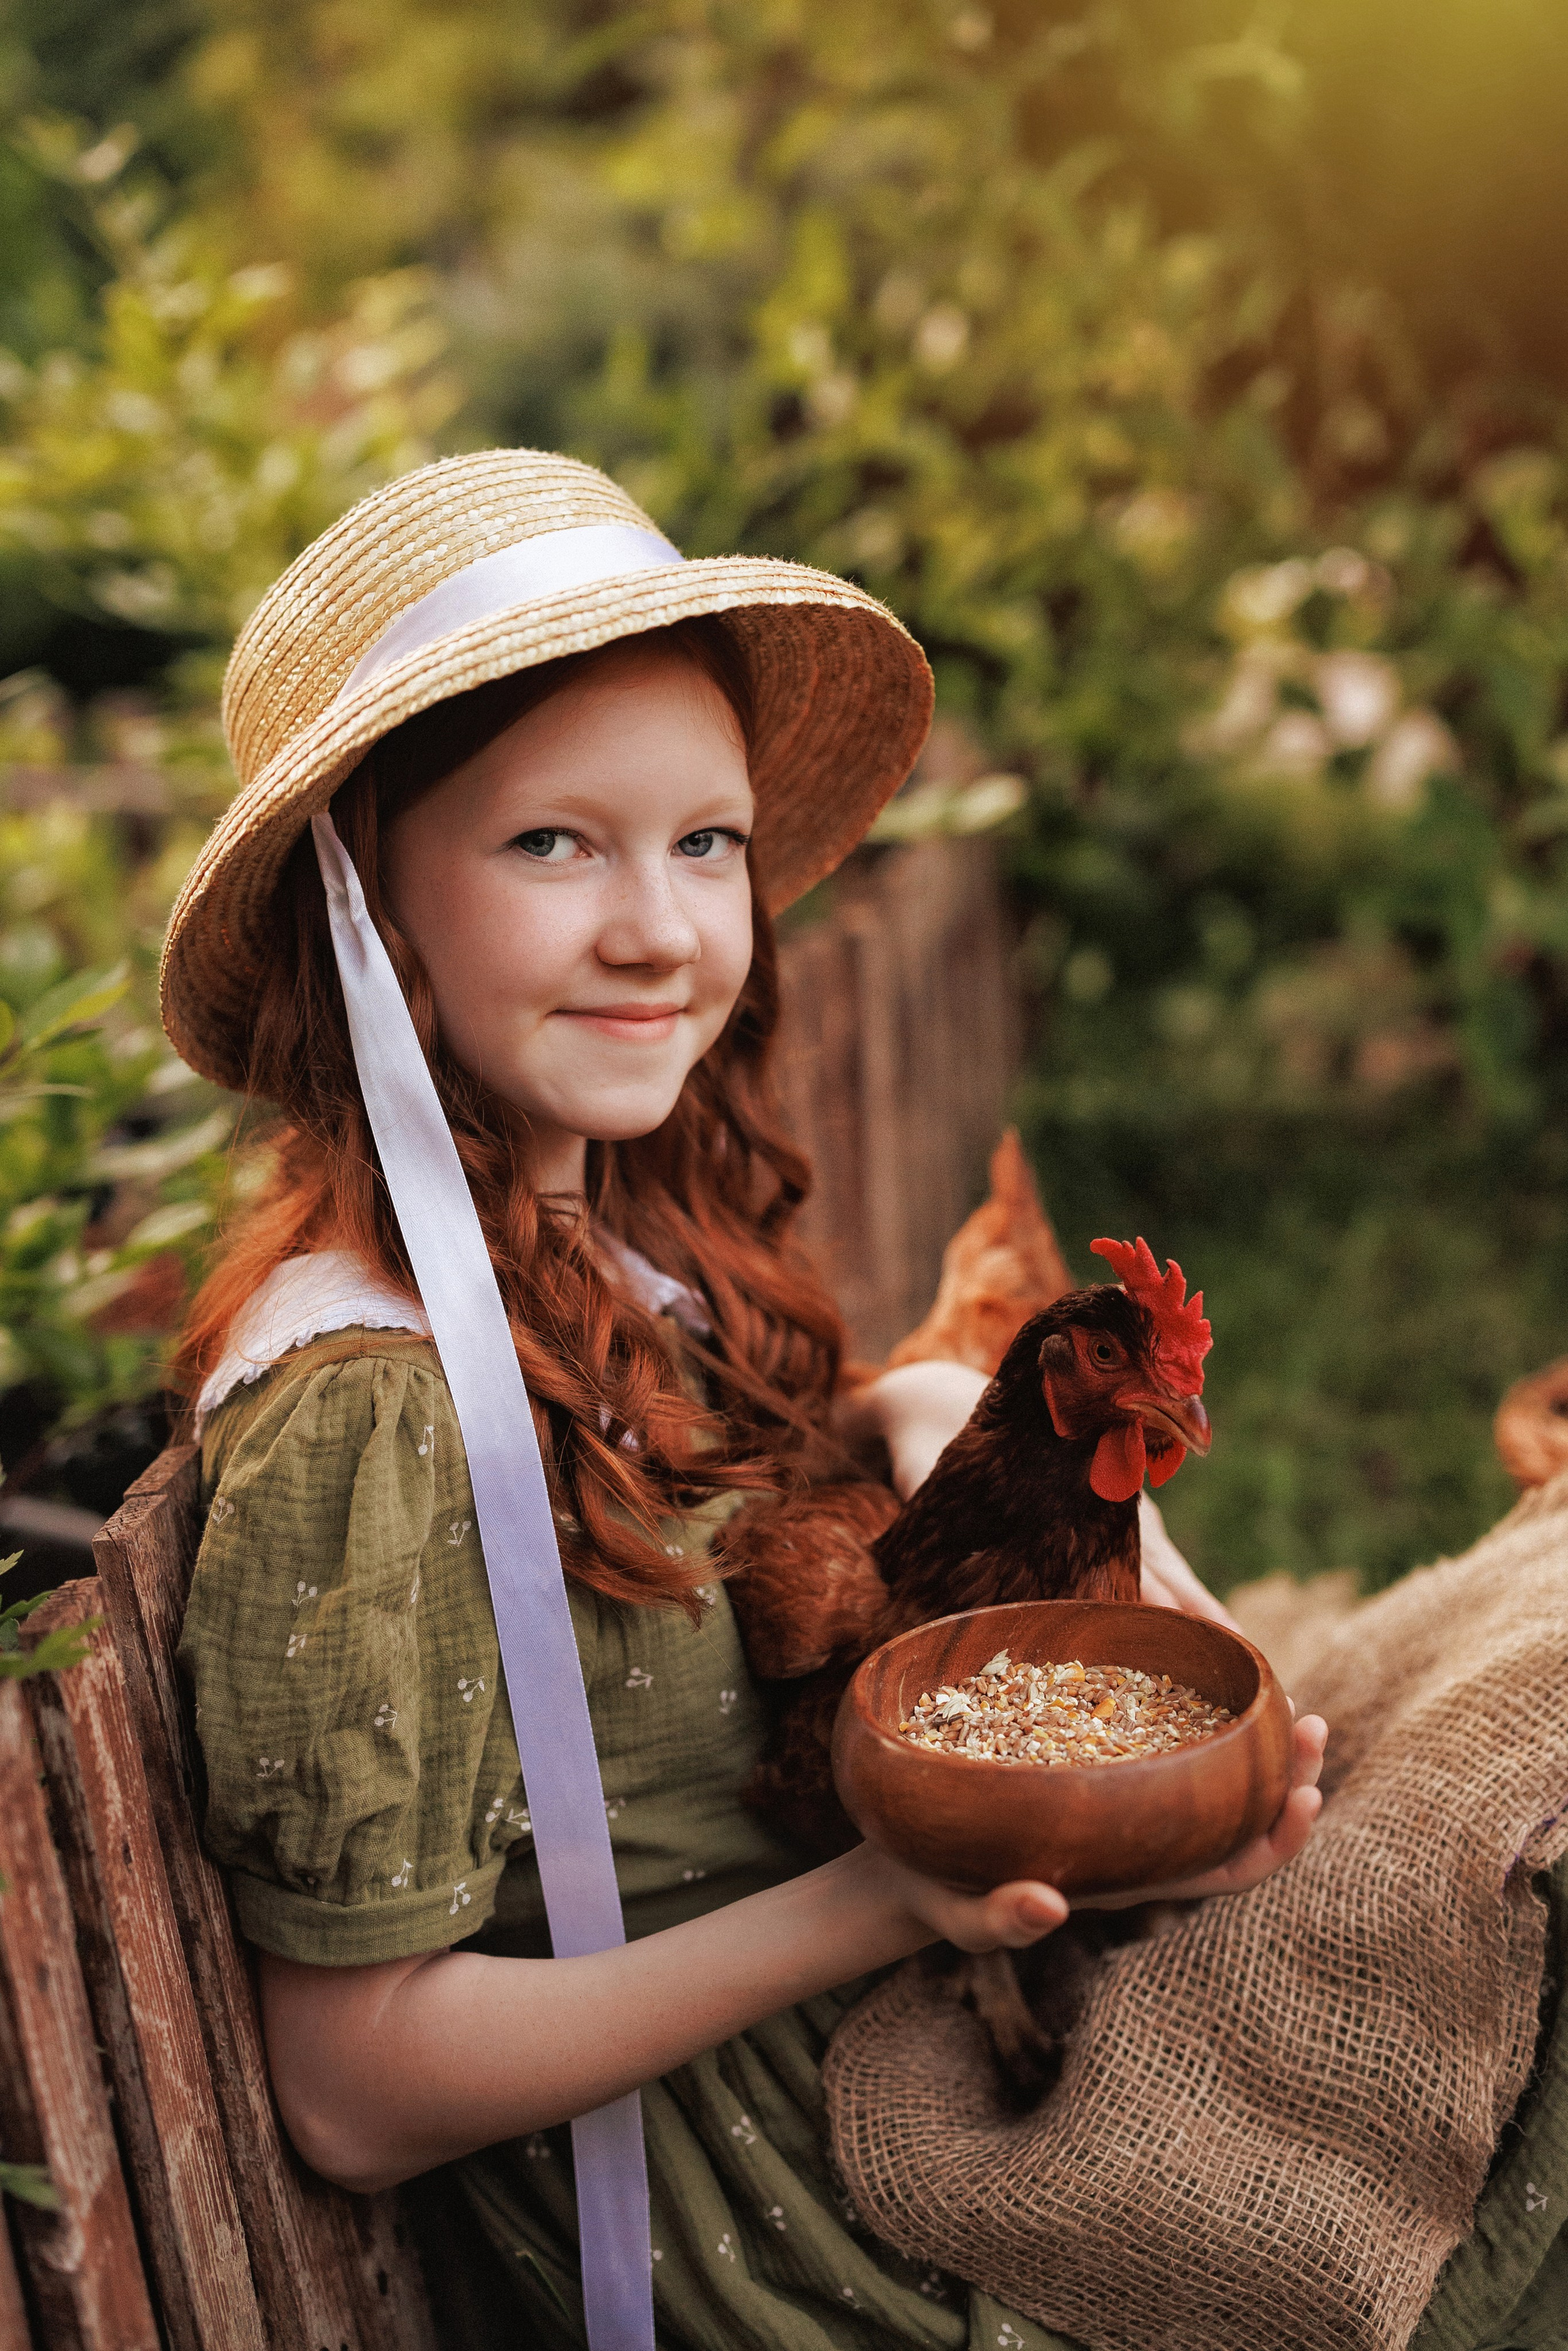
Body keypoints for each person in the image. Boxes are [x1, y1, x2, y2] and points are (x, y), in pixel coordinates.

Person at [164, 448, 1326, 2351]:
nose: (664, 931)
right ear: (361, 909)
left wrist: (935, 1397)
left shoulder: (610, 1246)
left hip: (887, 2043)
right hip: (766, 2208)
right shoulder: (372, 1404)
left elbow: (768, 1504)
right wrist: (896, 1898)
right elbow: (354, 2087)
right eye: (556, 844)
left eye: (705, 842)